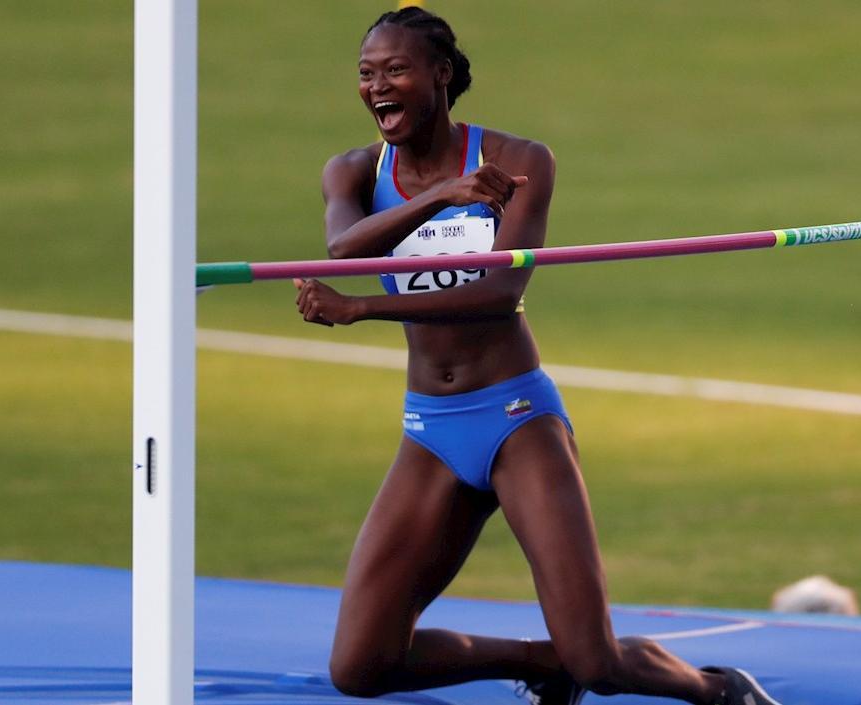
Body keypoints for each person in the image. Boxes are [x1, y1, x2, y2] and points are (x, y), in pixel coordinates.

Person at [293, 8, 784, 705]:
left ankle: (718, 689)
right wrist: (442, 196)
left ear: (439, 73)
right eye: (366, 74)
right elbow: (344, 249)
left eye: (396, 69)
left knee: (599, 661)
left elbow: (499, 292)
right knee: (361, 665)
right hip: (431, 429)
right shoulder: (350, 171)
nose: (378, 86)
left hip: (516, 417)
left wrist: (362, 307)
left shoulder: (520, 162)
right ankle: (537, 659)